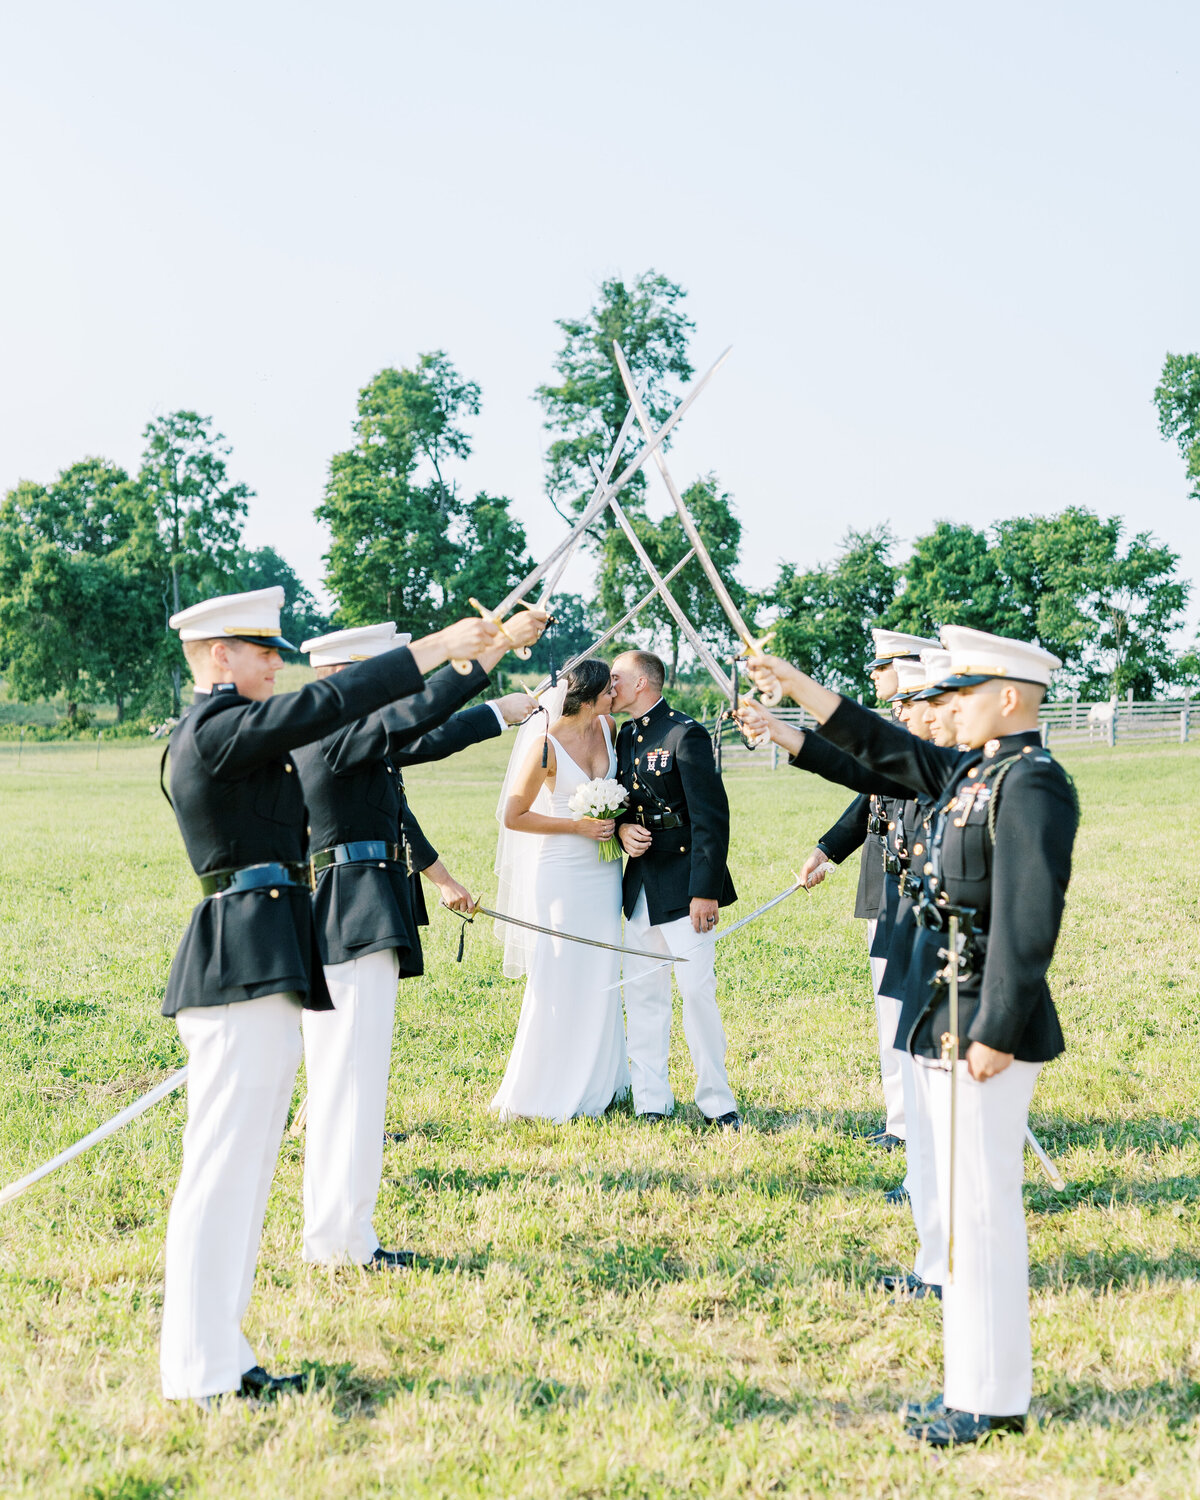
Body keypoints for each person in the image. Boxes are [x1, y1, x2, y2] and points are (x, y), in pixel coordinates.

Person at [158, 586, 539, 1407]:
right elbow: (336, 701)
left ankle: (218, 1359)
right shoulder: (216, 733)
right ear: (218, 656)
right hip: (237, 960)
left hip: (263, 955)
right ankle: (199, 1369)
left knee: (246, 1170)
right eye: (262, 649)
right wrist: (444, 646)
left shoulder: (244, 738)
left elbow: (386, 724)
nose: (275, 660)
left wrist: (480, 662)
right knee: (222, 1172)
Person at [745, 626, 1077, 1446]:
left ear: (1008, 698)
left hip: (983, 1024)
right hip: (943, 1011)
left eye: (961, 695)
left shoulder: (1031, 782)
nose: (946, 708)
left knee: (984, 1212)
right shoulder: (971, 770)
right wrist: (793, 685)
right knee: (966, 1213)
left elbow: (1030, 924)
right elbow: (874, 748)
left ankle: (992, 1398)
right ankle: (973, 1387)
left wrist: (997, 1030)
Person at [292, 620, 539, 1268]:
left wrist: (497, 659)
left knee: (349, 1080)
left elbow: (427, 731)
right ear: (354, 675)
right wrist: (495, 667)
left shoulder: (347, 733)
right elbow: (430, 714)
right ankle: (343, 1242)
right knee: (352, 1079)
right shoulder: (337, 729)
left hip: (353, 903)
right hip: (350, 907)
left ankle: (342, 1236)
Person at [797, 631, 936, 1154]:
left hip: (914, 873)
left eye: (884, 667)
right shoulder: (897, 728)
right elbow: (868, 798)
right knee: (888, 1002)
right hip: (880, 866)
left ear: (908, 669)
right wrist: (828, 849)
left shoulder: (925, 733)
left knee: (912, 1005)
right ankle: (900, 1118)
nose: (875, 675)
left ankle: (915, 1120)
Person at [490, 658, 631, 1123]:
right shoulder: (545, 746)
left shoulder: (608, 728)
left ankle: (601, 1081)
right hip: (562, 873)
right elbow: (514, 815)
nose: (617, 693)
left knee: (602, 964)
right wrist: (577, 825)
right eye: (610, 688)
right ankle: (544, 1088)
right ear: (589, 696)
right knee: (561, 969)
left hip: (603, 872)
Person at [609, 650, 740, 1128]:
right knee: (644, 996)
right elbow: (622, 800)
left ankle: (717, 1102)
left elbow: (712, 817)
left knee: (697, 994)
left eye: (618, 678)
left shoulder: (685, 733)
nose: (611, 685)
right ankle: (651, 1100)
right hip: (641, 885)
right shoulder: (624, 736)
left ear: (642, 682)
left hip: (686, 887)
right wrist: (623, 828)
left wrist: (705, 890)